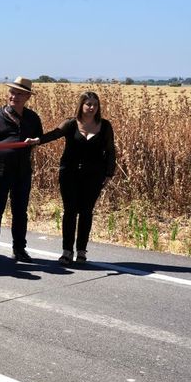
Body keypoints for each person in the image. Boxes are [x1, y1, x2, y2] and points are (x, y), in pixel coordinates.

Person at [36, 91, 117, 265]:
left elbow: (110, 150)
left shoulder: (105, 126)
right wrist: (36, 140)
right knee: (70, 211)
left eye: (95, 104)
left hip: (94, 175)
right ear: (81, 105)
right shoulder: (71, 124)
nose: (92, 107)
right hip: (69, 174)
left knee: (86, 212)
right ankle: (66, 251)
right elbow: (53, 135)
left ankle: (81, 251)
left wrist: (109, 174)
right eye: (88, 104)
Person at [0, 77, 43, 263]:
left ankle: (19, 249)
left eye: (20, 93)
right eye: (12, 92)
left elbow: (38, 139)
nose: (15, 96)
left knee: (20, 211)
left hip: (22, 171)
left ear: (28, 96)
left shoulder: (32, 118)